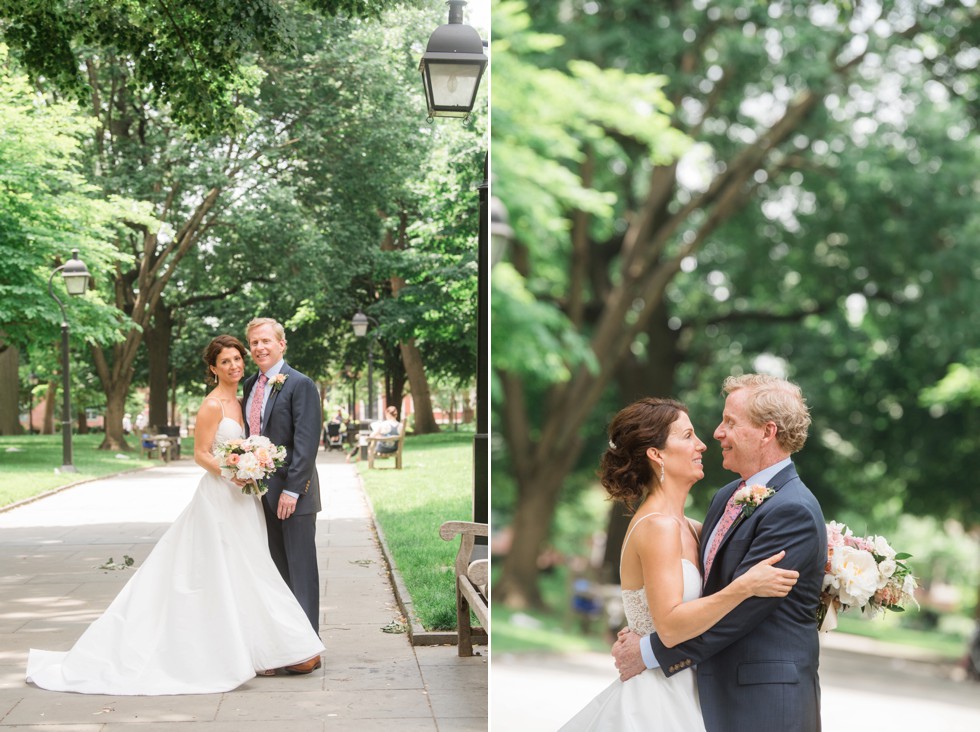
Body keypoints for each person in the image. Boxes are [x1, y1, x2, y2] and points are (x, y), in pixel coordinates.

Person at [25, 335, 324, 695]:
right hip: (221, 496)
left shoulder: (247, 396)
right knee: (220, 569)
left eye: (236, 359)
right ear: (212, 368)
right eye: (225, 361)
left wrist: (252, 465)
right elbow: (201, 453)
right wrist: (235, 472)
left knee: (250, 568)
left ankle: (266, 646)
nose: (234, 365)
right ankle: (246, 649)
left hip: (246, 499)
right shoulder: (212, 404)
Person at [560, 397, 799, 730]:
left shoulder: (691, 526)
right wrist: (744, 587)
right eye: (687, 436)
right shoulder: (658, 527)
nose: (702, 444)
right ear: (656, 454)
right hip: (657, 697)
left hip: (691, 685)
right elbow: (670, 626)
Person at [611, 375, 827, 732]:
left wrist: (648, 652)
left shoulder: (794, 509)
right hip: (703, 693)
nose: (715, 434)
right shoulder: (725, 498)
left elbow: (739, 614)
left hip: (764, 703)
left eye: (730, 422)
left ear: (766, 432)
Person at [242, 317, 323, 675]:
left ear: (281, 344)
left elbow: (306, 443)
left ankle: (307, 650)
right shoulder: (249, 384)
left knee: (301, 572)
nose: (259, 348)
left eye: (265, 341)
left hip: (296, 494)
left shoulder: (300, 384)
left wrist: (292, 489)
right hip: (260, 493)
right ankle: (281, 644)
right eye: (254, 343)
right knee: (276, 573)